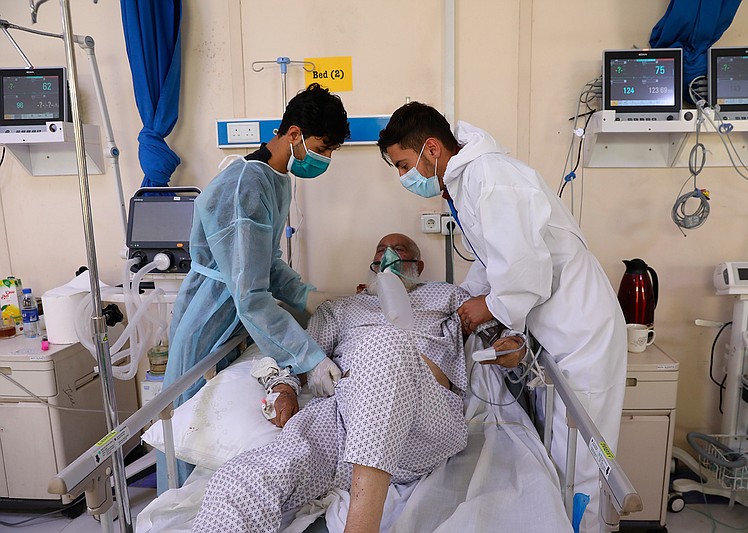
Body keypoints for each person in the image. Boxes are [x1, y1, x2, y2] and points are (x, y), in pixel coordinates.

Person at [377, 103, 627, 532]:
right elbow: (492, 260)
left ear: (431, 148)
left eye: (403, 165)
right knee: (558, 450)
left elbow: (523, 266)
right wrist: (468, 299)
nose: (404, 177)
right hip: (552, 324)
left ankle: (585, 528)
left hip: (581, 328)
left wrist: (487, 307)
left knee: (583, 459)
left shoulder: (491, 178)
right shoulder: (468, 181)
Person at [191, 233, 524, 533]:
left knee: (385, 344)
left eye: (400, 251)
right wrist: (286, 386)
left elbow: (498, 327)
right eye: (381, 252)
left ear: (418, 265)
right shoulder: (342, 307)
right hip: (342, 417)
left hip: (423, 421)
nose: (389, 258)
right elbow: (303, 354)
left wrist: (512, 344)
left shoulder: (448, 296)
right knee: (241, 479)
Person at [159, 83, 350, 492]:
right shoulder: (244, 187)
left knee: (229, 418)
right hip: (209, 314)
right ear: (294, 134)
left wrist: (306, 296)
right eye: (324, 148)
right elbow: (250, 294)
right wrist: (310, 358)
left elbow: (267, 262)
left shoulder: (277, 178)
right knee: (186, 429)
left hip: (237, 315)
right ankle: (177, 508)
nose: (326, 159)